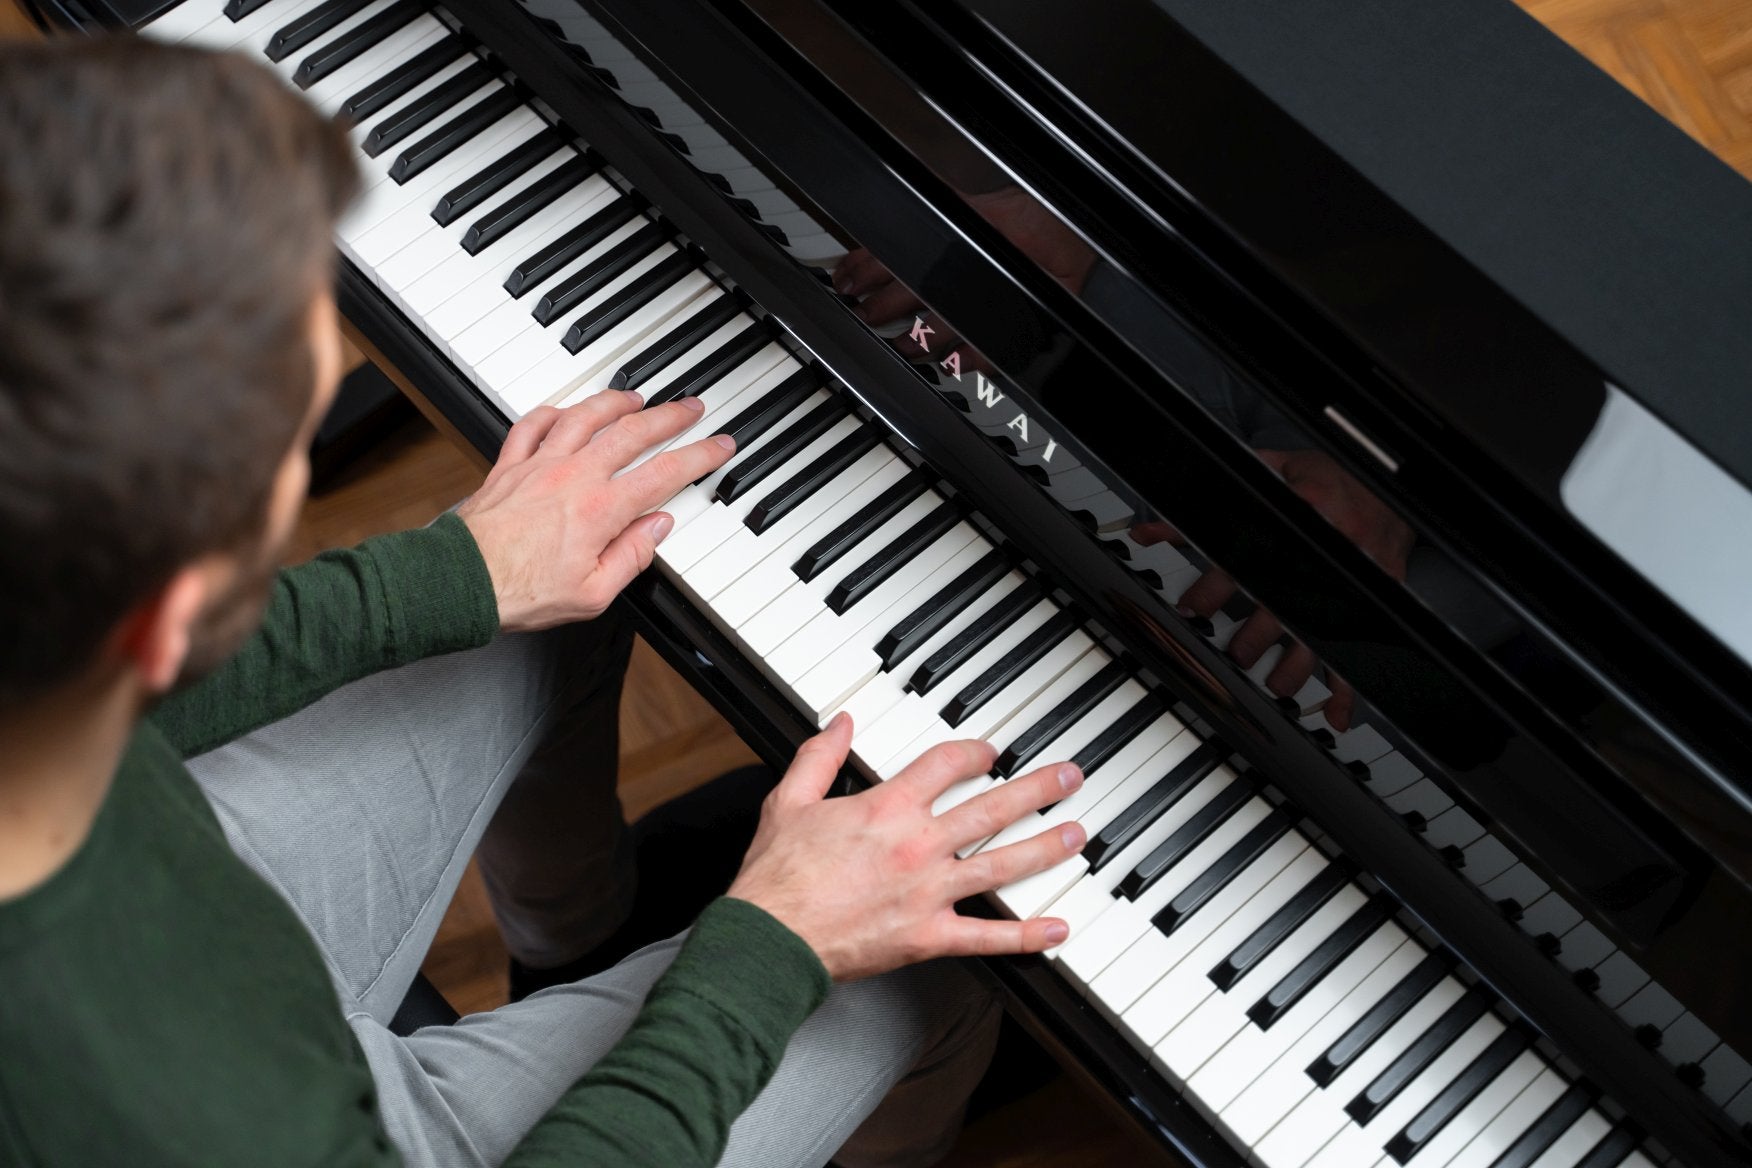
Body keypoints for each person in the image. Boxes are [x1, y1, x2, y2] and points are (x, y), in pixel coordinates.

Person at [0, 35, 1091, 1168]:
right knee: (935, 980)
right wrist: (769, 947)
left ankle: (575, 944)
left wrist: (460, 572)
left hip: (163, 887)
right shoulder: (171, 1111)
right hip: (296, 1118)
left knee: (563, 582)